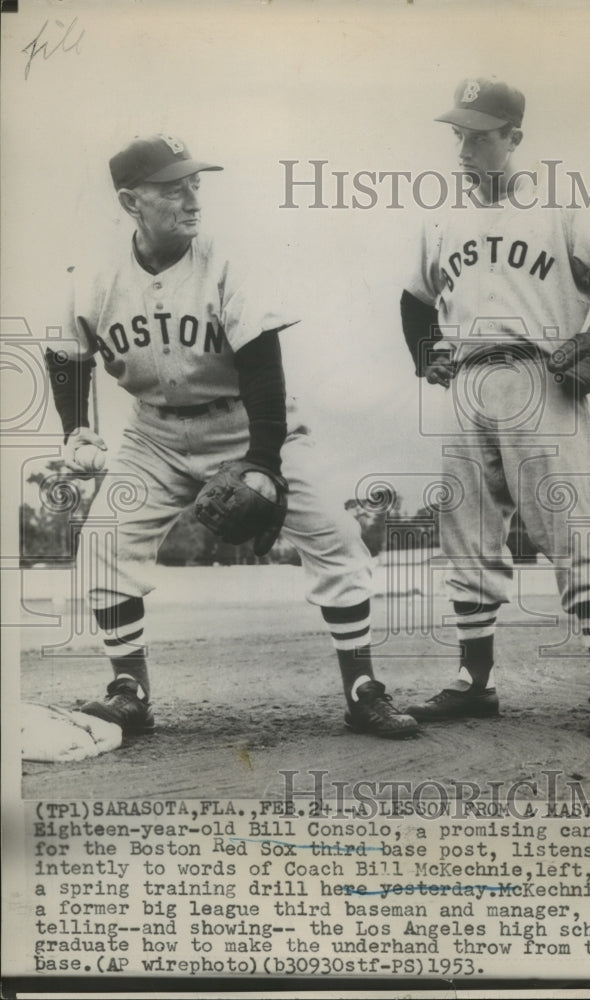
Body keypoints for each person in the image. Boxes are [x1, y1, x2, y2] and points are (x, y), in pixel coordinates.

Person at [46, 132, 419, 740]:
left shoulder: (226, 261)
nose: (192, 198)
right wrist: (76, 431)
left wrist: (264, 462)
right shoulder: (91, 274)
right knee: (103, 544)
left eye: (196, 183)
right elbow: (67, 354)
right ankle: (129, 689)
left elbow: (263, 366)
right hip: (154, 434)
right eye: (173, 189)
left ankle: (362, 688)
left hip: (247, 419)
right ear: (129, 202)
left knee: (334, 532)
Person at [400, 79, 590, 735]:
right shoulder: (441, 220)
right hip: (466, 381)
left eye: (478, 132)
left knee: (573, 524)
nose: (463, 144)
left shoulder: (561, 205)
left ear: (514, 136)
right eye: (458, 131)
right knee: (464, 533)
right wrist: (426, 354)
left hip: (541, 375)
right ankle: (475, 680)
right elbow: (413, 301)